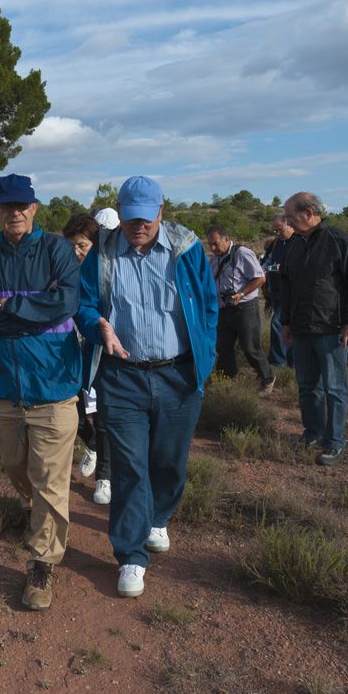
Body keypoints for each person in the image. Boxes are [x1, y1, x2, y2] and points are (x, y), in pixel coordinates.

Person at [75, 176, 217, 598]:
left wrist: (204, 360)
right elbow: (83, 304)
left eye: (146, 218)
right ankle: (130, 556)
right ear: (120, 212)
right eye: (131, 217)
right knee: (130, 467)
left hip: (178, 375)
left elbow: (208, 306)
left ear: (161, 212)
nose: (139, 226)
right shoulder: (102, 253)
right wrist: (97, 325)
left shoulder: (186, 249)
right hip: (122, 377)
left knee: (169, 462)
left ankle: (158, 518)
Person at [0, 174, 81, 611]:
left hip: (53, 386)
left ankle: (42, 561)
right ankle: (38, 509)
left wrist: (8, 308)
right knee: (15, 466)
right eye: (6, 206)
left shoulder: (57, 251)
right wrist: (33, 314)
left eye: (22, 205)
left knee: (49, 478)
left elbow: (66, 302)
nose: (15, 212)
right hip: (2, 387)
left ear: (34, 208)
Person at [279, 192, 348, 466]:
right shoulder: (294, 244)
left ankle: (334, 442)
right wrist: (287, 322)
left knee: (334, 388)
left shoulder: (340, 241)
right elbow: (287, 286)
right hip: (301, 329)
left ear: (309, 213)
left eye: (291, 216)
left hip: (333, 330)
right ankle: (313, 433)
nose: (288, 222)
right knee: (307, 386)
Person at [62, 213, 111, 505]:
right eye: (72, 246)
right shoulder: (62, 273)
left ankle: (104, 477)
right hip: (70, 354)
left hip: (99, 352)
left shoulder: (106, 274)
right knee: (74, 411)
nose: (77, 252)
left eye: (82, 245)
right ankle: (91, 444)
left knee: (102, 416)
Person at [206, 226, 276, 393]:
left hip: (245, 308)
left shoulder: (242, 254)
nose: (213, 248)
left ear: (226, 238)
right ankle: (228, 381)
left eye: (216, 243)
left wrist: (241, 293)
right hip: (224, 309)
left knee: (250, 347)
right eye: (210, 244)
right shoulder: (214, 259)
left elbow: (260, 278)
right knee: (223, 348)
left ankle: (267, 378)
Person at [261, 213, 295, 367]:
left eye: (280, 229)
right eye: (275, 230)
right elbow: (266, 261)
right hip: (275, 291)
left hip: (292, 293)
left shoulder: (299, 242)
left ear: (290, 225)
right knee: (287, 327)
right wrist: (263, 271)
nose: (277, 233)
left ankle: (278, 362)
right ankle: (291, 361)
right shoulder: (276, 243)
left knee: (278, 323)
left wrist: (282, 268)